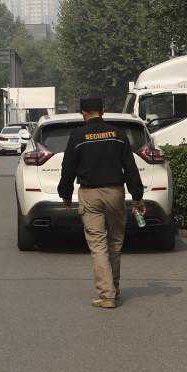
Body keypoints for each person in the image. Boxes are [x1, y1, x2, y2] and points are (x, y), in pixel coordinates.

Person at [57, 95, 145, 309]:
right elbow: (130, 167)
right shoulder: (118, 134)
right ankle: (114, 287)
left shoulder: (78, 136)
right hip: (115, 193)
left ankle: (107, 295)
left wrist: (65, 194)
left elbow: (68, 168)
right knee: (115, 242)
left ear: (83, 114)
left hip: (90, 195)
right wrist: (137, 196)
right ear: (102, 111)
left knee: (98, 245)